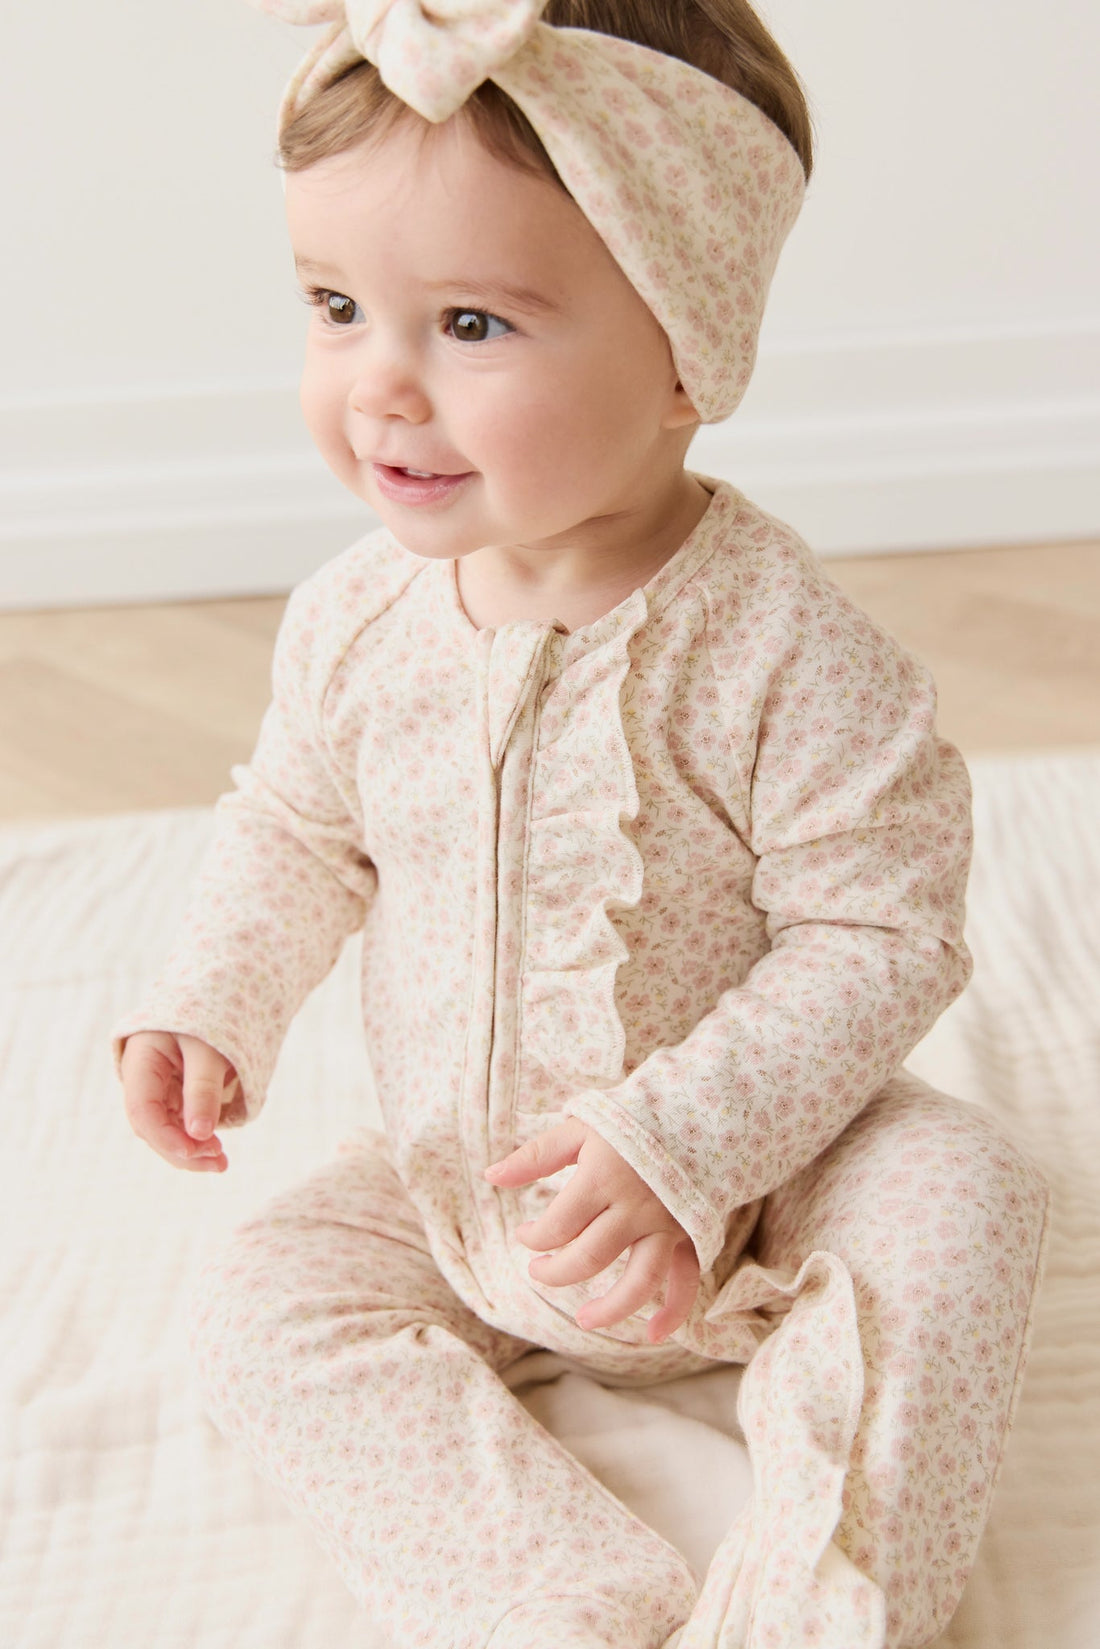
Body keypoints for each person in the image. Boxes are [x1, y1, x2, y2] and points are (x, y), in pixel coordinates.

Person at [115, 3, 1050, 1645]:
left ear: (687, 351)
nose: (379, 385)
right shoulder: (353, 623)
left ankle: (817, 1601)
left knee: (965, 1190)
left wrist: (686, 1141)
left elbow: (886, 930)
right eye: (336, 307)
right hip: (460, 1185)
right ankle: (549, 1593)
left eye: (471, 323)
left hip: (763, 1181)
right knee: (261, 1297)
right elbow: (294, 824)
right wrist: (212, 1001)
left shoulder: (783, 648)